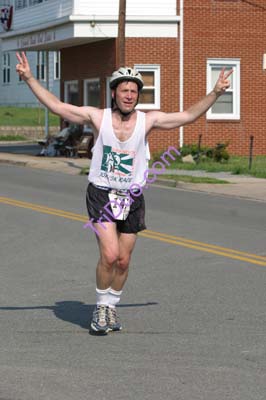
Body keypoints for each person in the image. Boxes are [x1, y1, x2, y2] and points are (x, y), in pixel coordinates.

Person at [16, 52, 232, 335]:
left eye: (134, 91)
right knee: (109, 254)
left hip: (131, 196)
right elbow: (57, 106)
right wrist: (30, 78)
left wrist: (215, 93)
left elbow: (188, 116)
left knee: (123, 260)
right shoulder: (97, 116)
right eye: (124, 90)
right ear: (114, 93)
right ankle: (101, 307)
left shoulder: (148, 120)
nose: (129, 95)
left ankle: (111, 307)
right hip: (102, 193)